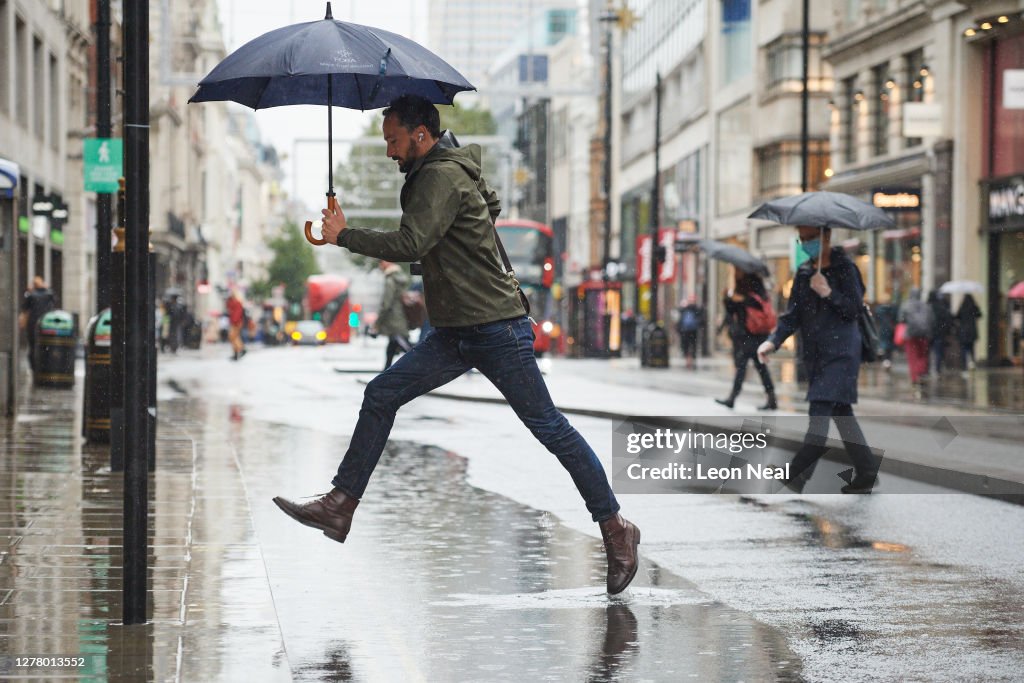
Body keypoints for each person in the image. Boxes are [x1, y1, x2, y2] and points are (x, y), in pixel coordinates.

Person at [273, 94, 640, 595]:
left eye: (394, 140)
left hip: (494, 329)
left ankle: (617, 530)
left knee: (550, 429)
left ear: (421, 135)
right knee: (380, 394)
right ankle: (341, 506)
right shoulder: (434, 174)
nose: (388, 151)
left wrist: (343, 236)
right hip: (455, 332)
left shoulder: (441, 176)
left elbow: (411, 245)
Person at [757, 226, 878, 494]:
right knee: (841, 412)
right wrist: (772, 342)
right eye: (802, 238)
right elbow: (792, 316)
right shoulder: (803, 273)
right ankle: (867, 471)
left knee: (820, 412)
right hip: (816, 355)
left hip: (842, 353)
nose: (806, 243)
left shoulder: (845, 268)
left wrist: (828, 293)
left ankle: (796, 473)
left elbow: (853, 309)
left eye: (811, 238)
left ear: (826, 237)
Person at [715, 274, 776, 410]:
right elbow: (733, 310)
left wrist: (728, 299)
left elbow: (733, 309)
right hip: (758, 337)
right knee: (760, 368)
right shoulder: (760, 295)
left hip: (749, 338)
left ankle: (732, 398)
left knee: (742, 367)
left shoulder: (748, 297)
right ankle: (771, 398)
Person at [374, 259, 413, 370]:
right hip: (400, 316)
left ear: (387, 262)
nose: (380, 265)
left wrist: (377, 322)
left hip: (394, 319)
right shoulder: (400, 277)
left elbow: (386, 304)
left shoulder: (390, 280)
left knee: (407, 347)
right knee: (392, 346)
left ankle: (421, 368)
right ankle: (386, 371)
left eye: (381, 262)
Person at [19, 276, 57, 371]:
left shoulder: (31, 295)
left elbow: (24, 309)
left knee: (32, 346)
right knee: (46, 345)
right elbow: (54, 300)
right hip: (46, 324)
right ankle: (45, 366)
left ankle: (34, 367)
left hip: (33, 324)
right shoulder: (49, 294)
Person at [898, 288, 933, 384]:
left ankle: (914, 377)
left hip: (911, 334)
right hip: (924, 334)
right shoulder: (926, 306)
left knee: (912, 356)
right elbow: (931, 320)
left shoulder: (906, 305)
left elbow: (901, 319)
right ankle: (921, 372)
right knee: (922, 355)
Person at [928, 290, 954, 374]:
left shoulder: (928, 307)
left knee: (927, 352)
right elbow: (947, 320)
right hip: (939, 333)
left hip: (928, 333)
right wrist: (947, 331)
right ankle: (937, 368)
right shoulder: (941, 307)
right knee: (938, 351)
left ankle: (927, 368)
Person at [956, 293, 982, 370]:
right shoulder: (973, 307)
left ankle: (964, 366)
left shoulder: (962, 306)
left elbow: (957, 316)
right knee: (971, 349)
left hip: (963, 331)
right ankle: (972, 363)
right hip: (972, 331)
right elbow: (980, 315)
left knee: (964, 349)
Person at [676, 295, 703, 370]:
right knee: (691, 345)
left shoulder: (686, 308)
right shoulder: (696, 308)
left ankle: (689, 359)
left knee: (687, 345)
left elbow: (679, 317)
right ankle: (690, 359)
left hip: (687, 330)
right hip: (691, 330)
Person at [226, 290, 246, 361]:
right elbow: (229, 310)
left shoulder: (237, 303)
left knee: (232, 337)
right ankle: (237, 352)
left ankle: (240, 350)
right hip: (234, 322)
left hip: (236, 322)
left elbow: (237, 313)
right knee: (234, 337)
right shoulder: (231, 302)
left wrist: (235, 321)